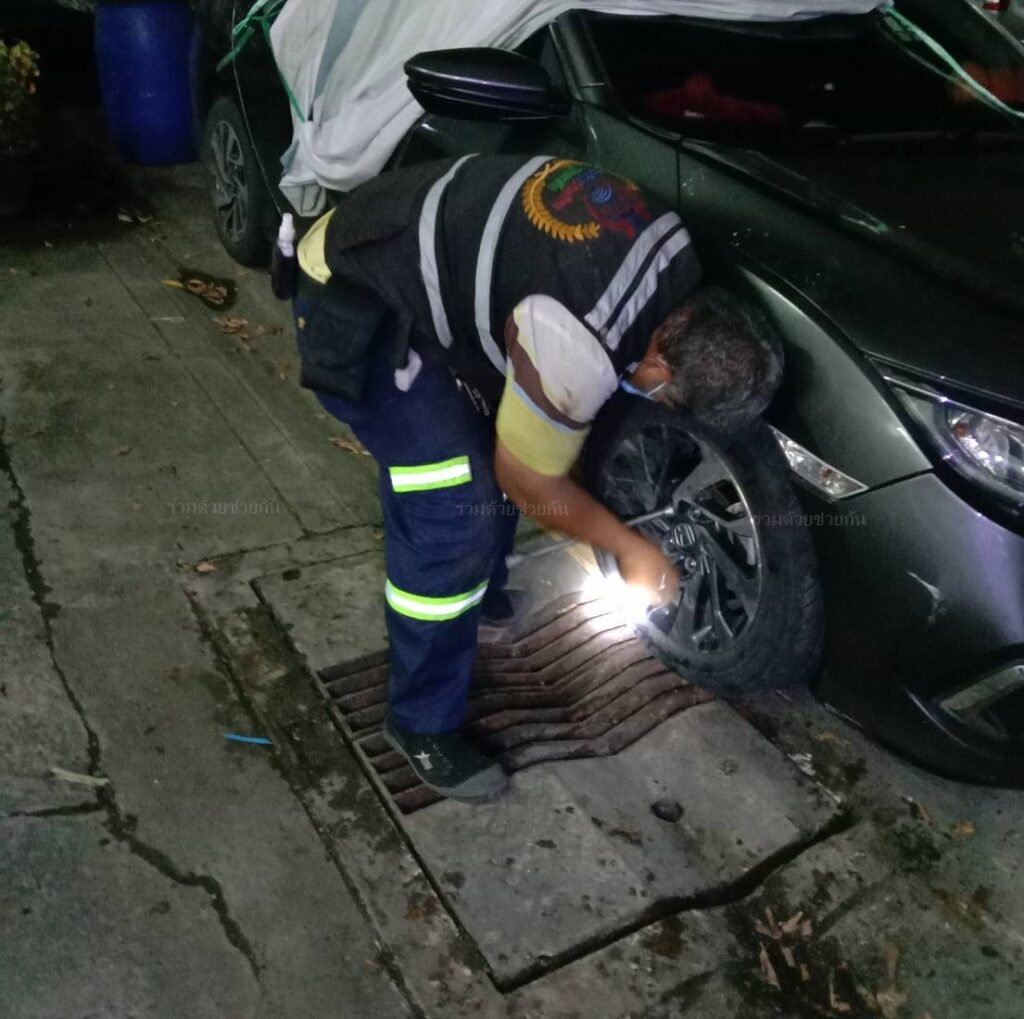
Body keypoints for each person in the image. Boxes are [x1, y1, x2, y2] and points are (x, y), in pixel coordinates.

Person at [293, 155, 781, 803]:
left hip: (410, 253)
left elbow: (550, 437)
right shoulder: (576, 340)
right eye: (663, 395)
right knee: (454, 509)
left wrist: (578, 495)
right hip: (358, 294)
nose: (653, 400)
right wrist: (628, 547)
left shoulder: (677, 261)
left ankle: (477, 594)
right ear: (662, 359)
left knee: (496, 458)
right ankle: (419, 721)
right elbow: (526, 480)